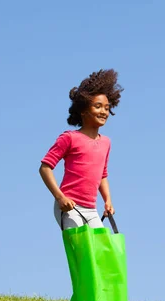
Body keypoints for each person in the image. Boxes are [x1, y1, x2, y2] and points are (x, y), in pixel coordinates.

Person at [39, 69, 124, 230]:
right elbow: (45, 168)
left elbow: (102, 175)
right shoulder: (69, 138)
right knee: (81, 252)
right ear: (84, 110)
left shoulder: (106, 142)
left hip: (92, 210)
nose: (104, 112)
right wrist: (60, 197)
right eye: (98, 107)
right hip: (70, 207)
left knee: (100, 252)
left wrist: (107, 200)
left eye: (107, 108)